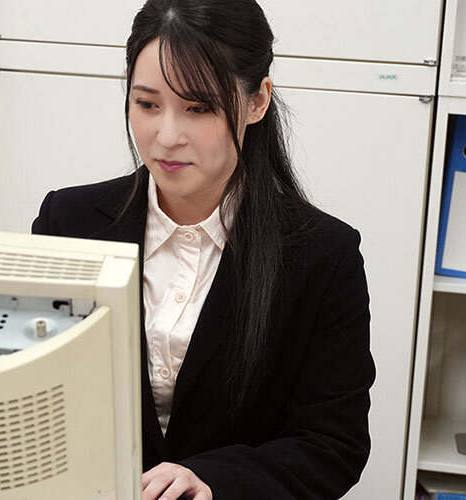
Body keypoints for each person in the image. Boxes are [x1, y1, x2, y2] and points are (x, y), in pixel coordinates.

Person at [32, 0, 376, 498]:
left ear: (257, 102)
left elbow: (333, 443)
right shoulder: (67, 222)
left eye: (199, 108)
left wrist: (213, 480)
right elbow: (30, 394)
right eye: (147, 104)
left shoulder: (323, 255)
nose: (167, 136)